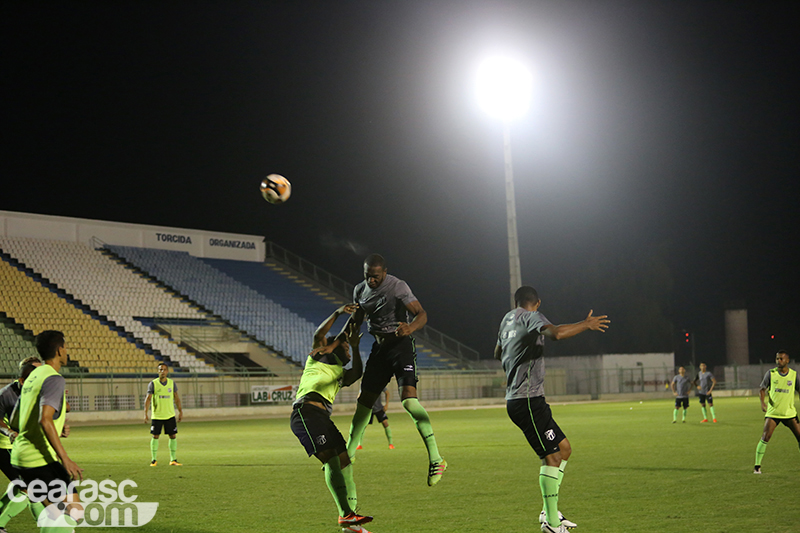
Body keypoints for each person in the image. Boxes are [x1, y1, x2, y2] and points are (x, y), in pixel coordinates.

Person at [313, 254, 445, 486]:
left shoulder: (398, 286)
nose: (371, 281)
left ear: (384, 272)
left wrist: (410, 328)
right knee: (364, 403)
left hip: (400, 345)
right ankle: (349, 456)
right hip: (379, 349)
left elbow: (421, 314)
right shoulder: (360, 290)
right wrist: (332, 345)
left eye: (375, 277)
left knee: (409, 401)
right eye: (367, 276)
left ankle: (436, 459)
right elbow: (355, 322)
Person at [494, 286, 609, 533]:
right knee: (552, 457)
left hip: (526, 400)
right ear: (537, 303)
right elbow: (556, 333)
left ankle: (549, 510)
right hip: (527, 400)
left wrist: (518, 352)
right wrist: (586, 324)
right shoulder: (531, 316)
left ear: (515, 302)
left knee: (564, 449)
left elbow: (497, 352)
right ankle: (552, 525)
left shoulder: (507, 320)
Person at [290, 304, 374, 533]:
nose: (348, 352)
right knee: (332, 460)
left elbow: (357, 373)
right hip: (306, 413)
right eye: (345, 348)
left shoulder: (340, 372)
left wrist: (355, 346)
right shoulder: (320, 357)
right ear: (333, 348)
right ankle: (346, 515)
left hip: (322, 417)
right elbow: (320, 335)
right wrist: (338, 313)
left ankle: (350, 523)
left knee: (344, 461)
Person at [11, 330, 83, 532]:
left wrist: (55, 429)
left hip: (20, 457)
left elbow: (16, 419)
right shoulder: (54, 378)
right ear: (59, 350)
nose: (66, 351)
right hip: (38, 460)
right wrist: (65, 458)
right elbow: (45, 419)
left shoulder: (34, 376)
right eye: (65, 347)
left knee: (57, 515)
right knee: (74, 514)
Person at [0, 356, 42, 532]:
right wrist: (10, 432)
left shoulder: (37, 390)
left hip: (21, 447)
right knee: (29, 488)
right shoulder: (6, 394)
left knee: (22, 486)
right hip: (3, 447)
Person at [753, 350, 800, 474]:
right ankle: (757, 466)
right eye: (777, 358)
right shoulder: (771, 374)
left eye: (781, 359)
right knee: (765, 437)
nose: (779, 361)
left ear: (787, 360)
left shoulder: (794, 375)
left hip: (789, 413)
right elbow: (762, 389)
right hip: (773, 413)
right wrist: (762, 403)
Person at [144, 362, 183, 466]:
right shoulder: (153, 383)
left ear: (167, 371)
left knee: (173, 436)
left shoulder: (172, 383)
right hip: (157, 416)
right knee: (155, 436)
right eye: (161, 369)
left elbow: (176, 398)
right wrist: (145, 413)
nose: (163, 371)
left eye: (164, 369)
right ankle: (153, 459)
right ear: (158, 371)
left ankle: (173, 459)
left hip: (170, 415)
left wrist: (180, 411)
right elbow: (148, 399)